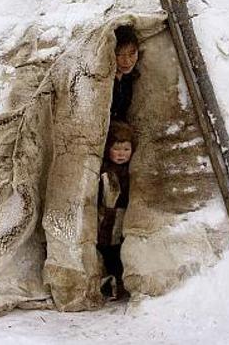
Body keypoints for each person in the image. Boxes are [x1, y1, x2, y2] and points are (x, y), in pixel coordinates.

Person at [97, 120, 135, 300]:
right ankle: (107, 284)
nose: (121, 154)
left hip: (123, 216)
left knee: (119, 250)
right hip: (105, 217)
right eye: (116, 149)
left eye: (126, 149)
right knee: (105, 250)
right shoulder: (104, 169)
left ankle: (119, 285)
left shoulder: (132, 170)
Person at [110, 26, 139, 121]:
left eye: (132, 53)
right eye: (119, 54)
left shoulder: (129, 78)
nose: (127, 61)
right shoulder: (106, 83)